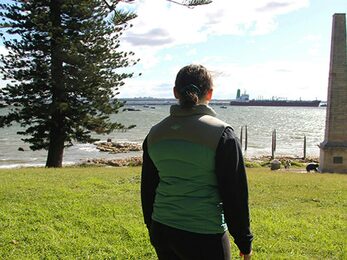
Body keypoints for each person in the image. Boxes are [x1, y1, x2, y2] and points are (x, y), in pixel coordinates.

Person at [141, 64, 253, 260]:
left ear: (175, 92)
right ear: (209, 94)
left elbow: (148, 187)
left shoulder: (155, 133)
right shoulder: (222, 134)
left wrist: (151, 225)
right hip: (205, 236)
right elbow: (234, 193)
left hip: (162, 229)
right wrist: (244, 240)